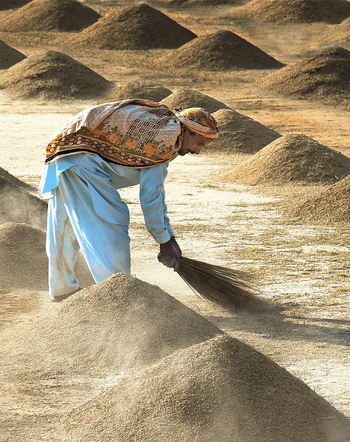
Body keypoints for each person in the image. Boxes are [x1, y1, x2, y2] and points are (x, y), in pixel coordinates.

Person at [39, 99, 219, 301]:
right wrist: (164, 241)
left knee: (64, 224)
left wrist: (168, 237)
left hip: (65, 151)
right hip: (82, 160)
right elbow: (151, 197)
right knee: (110, 222)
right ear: (189, 131)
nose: (197, 150)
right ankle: (117, 295)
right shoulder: (164, 140)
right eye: (199, 143)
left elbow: (155, 194)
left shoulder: (165, 127)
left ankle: (62, 288)